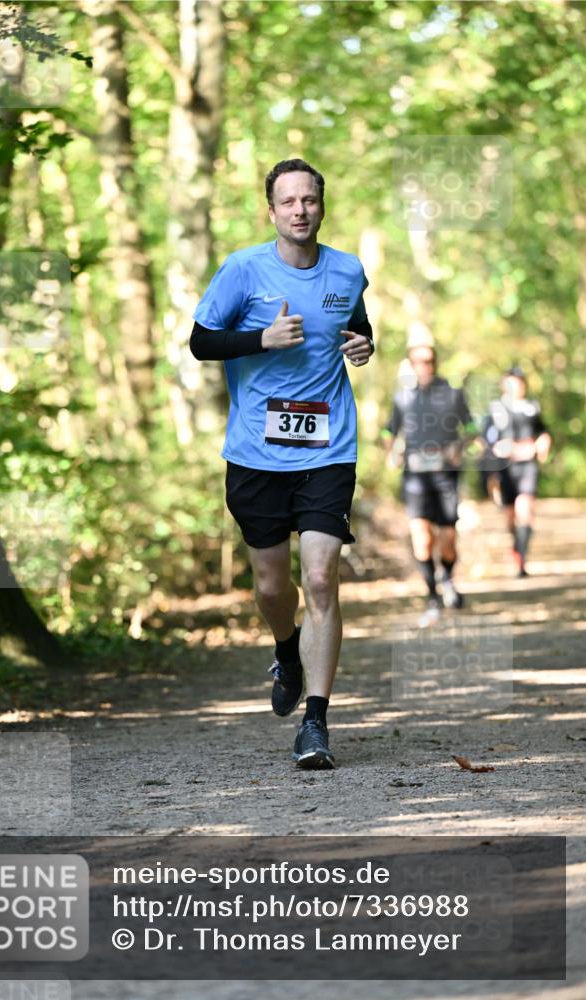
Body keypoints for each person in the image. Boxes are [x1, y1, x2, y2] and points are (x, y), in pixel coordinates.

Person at [190, 158, 374, 769]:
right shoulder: (243, 269)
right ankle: (286, 649)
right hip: (255, 454)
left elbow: (357, 323)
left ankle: (315, 723)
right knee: (273, 586)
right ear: (271, 211)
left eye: (310, 200)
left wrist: (363, 343)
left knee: (321, 578)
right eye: (289, 201)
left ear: (323, 206)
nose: (300, 210)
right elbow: (200, 342)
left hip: (328, 447)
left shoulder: (347, 270)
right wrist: (258, 340)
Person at [382, 342, 478, 627]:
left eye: (428, 362)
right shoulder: (402, 397)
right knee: (422, 538)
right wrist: (391, 452)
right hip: (415, 475)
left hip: (446, 474)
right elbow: (389, 429)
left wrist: (458, 446)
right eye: (418, 362)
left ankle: (447, 575)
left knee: (447, 540)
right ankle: (432, 596)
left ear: (435, 364)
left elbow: (472, 428)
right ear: (411, 365)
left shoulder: (452, 393)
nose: (424, 367)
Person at [486, 367, 551, 577]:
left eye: (520, 382)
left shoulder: (532, 406)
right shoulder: (496, 408)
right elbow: (485, 437)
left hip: (528, 465)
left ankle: (521, 562)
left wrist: (543, 442)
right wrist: (495, 450)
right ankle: (516, 548)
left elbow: (543, 430)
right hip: (505, 468)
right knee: (510, 517)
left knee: (525, 511)